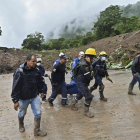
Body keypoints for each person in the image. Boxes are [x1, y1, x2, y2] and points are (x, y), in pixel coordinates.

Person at [11, 54, 47, 137]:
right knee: (22, 113)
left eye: (36, 61)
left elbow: (40, 81)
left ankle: (37, 130)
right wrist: (15, 100)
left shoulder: (36, 70)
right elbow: (15, 86)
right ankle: (21, 125)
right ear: (27, 61)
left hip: (34, 96)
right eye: (33, 61)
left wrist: (41, 91)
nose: (35, 63)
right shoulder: (20, 72)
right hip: (23, 97)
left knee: (38, 113)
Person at [70, 48, 96, 118]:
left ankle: (72, 104)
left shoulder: (85, 63)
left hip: (81, 82)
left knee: (80, 94)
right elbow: (89, 77)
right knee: (89, 97)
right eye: (91, 58)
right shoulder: (84, 66)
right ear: (87, 57)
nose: (92, 60)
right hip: (81, 83)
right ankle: (86, 111)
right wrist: (93, 74)